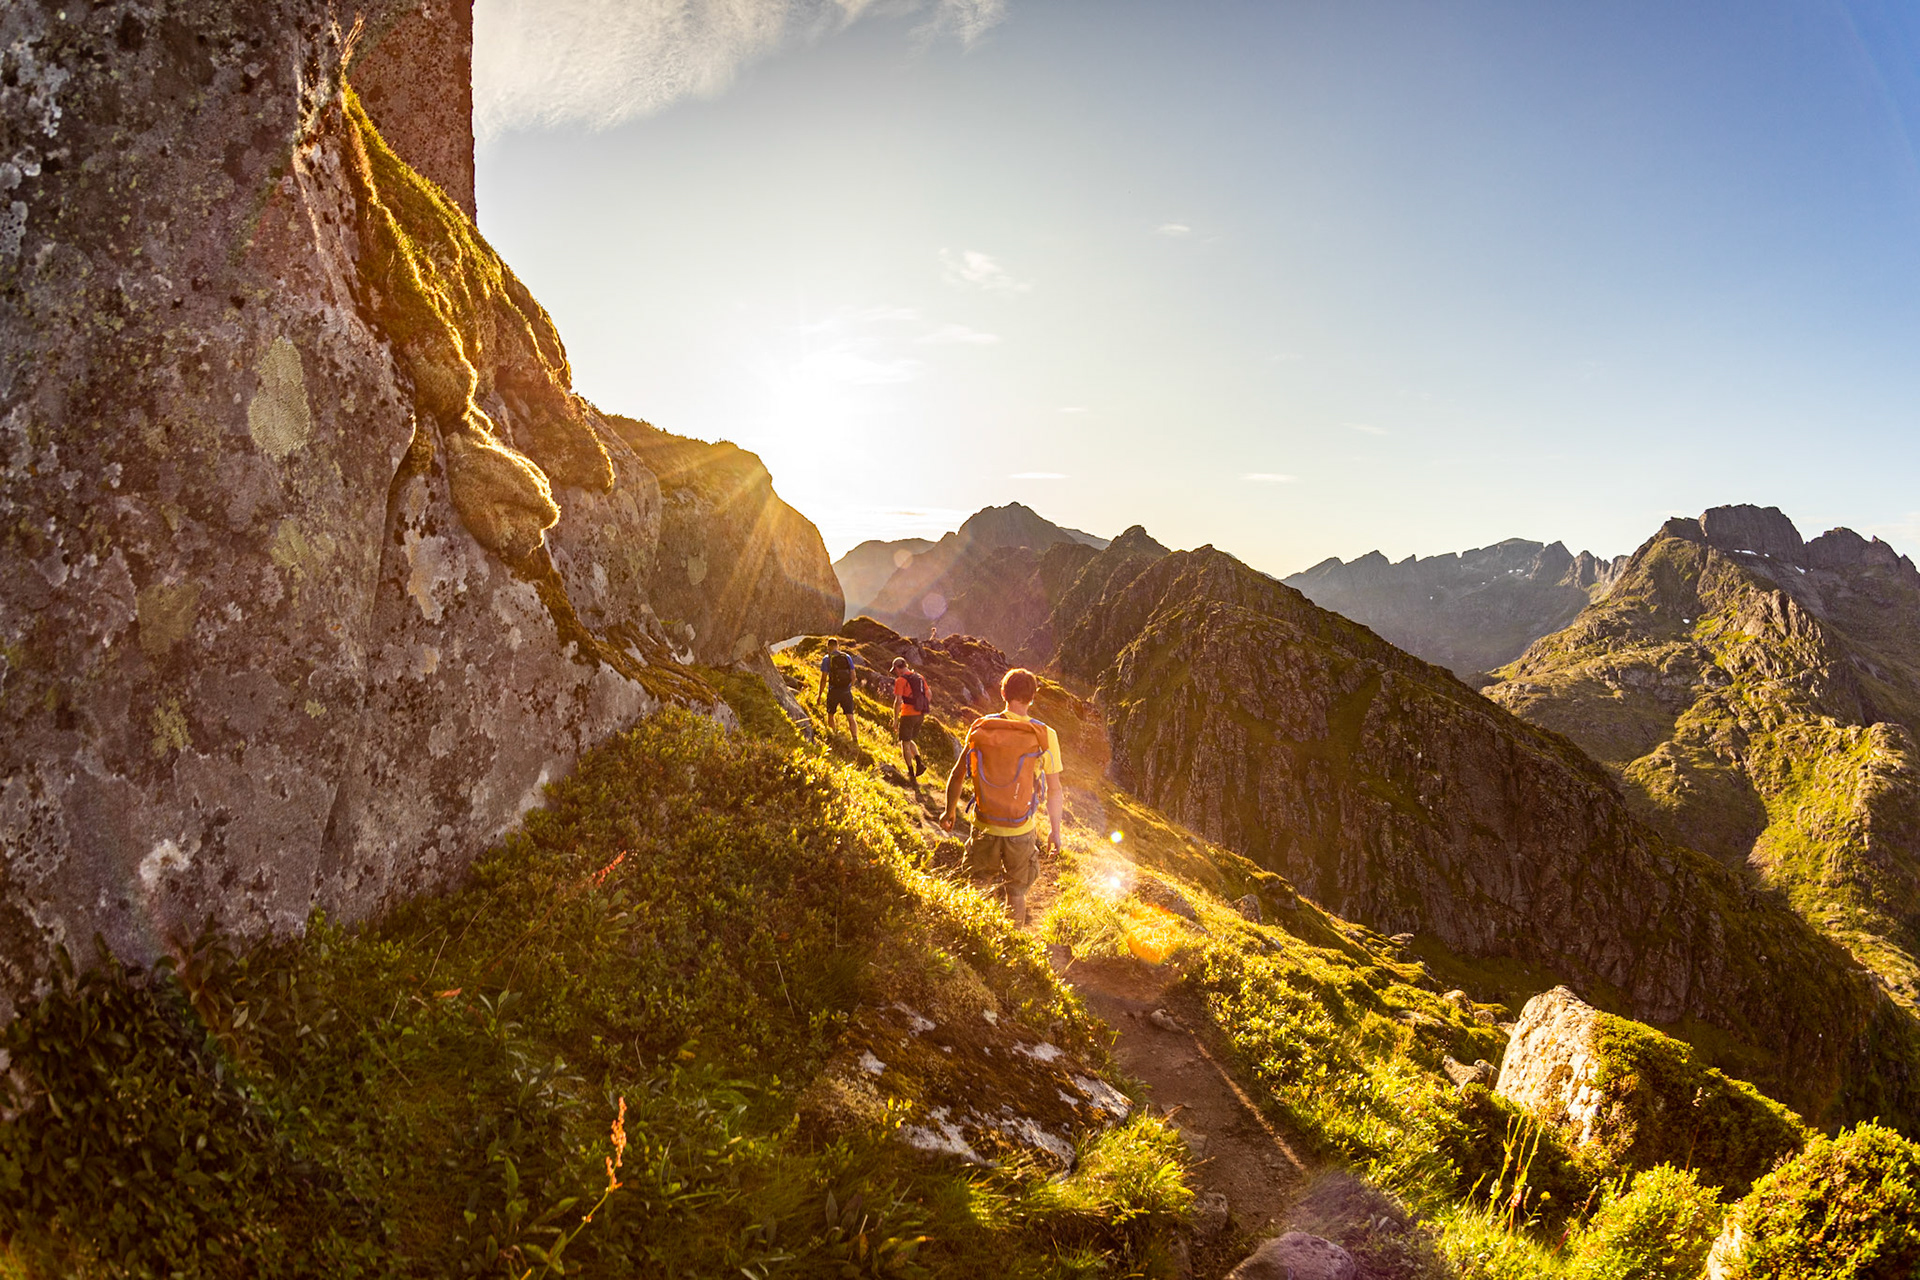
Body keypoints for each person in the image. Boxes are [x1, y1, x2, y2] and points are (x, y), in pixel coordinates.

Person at [940, 667, 1064, 926]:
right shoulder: (1045, 735)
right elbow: (1055, 789)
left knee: (978, 883)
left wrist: (949, 810)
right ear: (1032, 697)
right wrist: (1055, 832)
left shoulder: (981, 727)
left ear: (1004, 693)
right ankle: (1013, 944)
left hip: (984, 822)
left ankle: (972, 939)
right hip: (1020, 827)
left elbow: (958, 773)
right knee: (1016, 891)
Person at [815, 637, 860, 747]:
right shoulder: (846, 657)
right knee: (850, 716)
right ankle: (855, 739)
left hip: (833, 691)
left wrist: (820, 695)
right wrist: (848, 687)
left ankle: (834, 737)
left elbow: (823, 679)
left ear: (828, 647)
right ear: (837, 646)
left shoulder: (827, 659)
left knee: (831, 715)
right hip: (846, 691)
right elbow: (853, 676)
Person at [891, 656, 930, 781]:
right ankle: (919, 763)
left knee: (904, 743)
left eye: (895, 670)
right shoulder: (919, 677)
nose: (895, 672)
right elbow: (929, 694)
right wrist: (921, 706)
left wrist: (895, 720)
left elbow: (897, 702)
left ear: (897, 668)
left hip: (907, 715)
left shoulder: (900, 681)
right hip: (920, 714)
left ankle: (911, 773)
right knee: (909, 739)